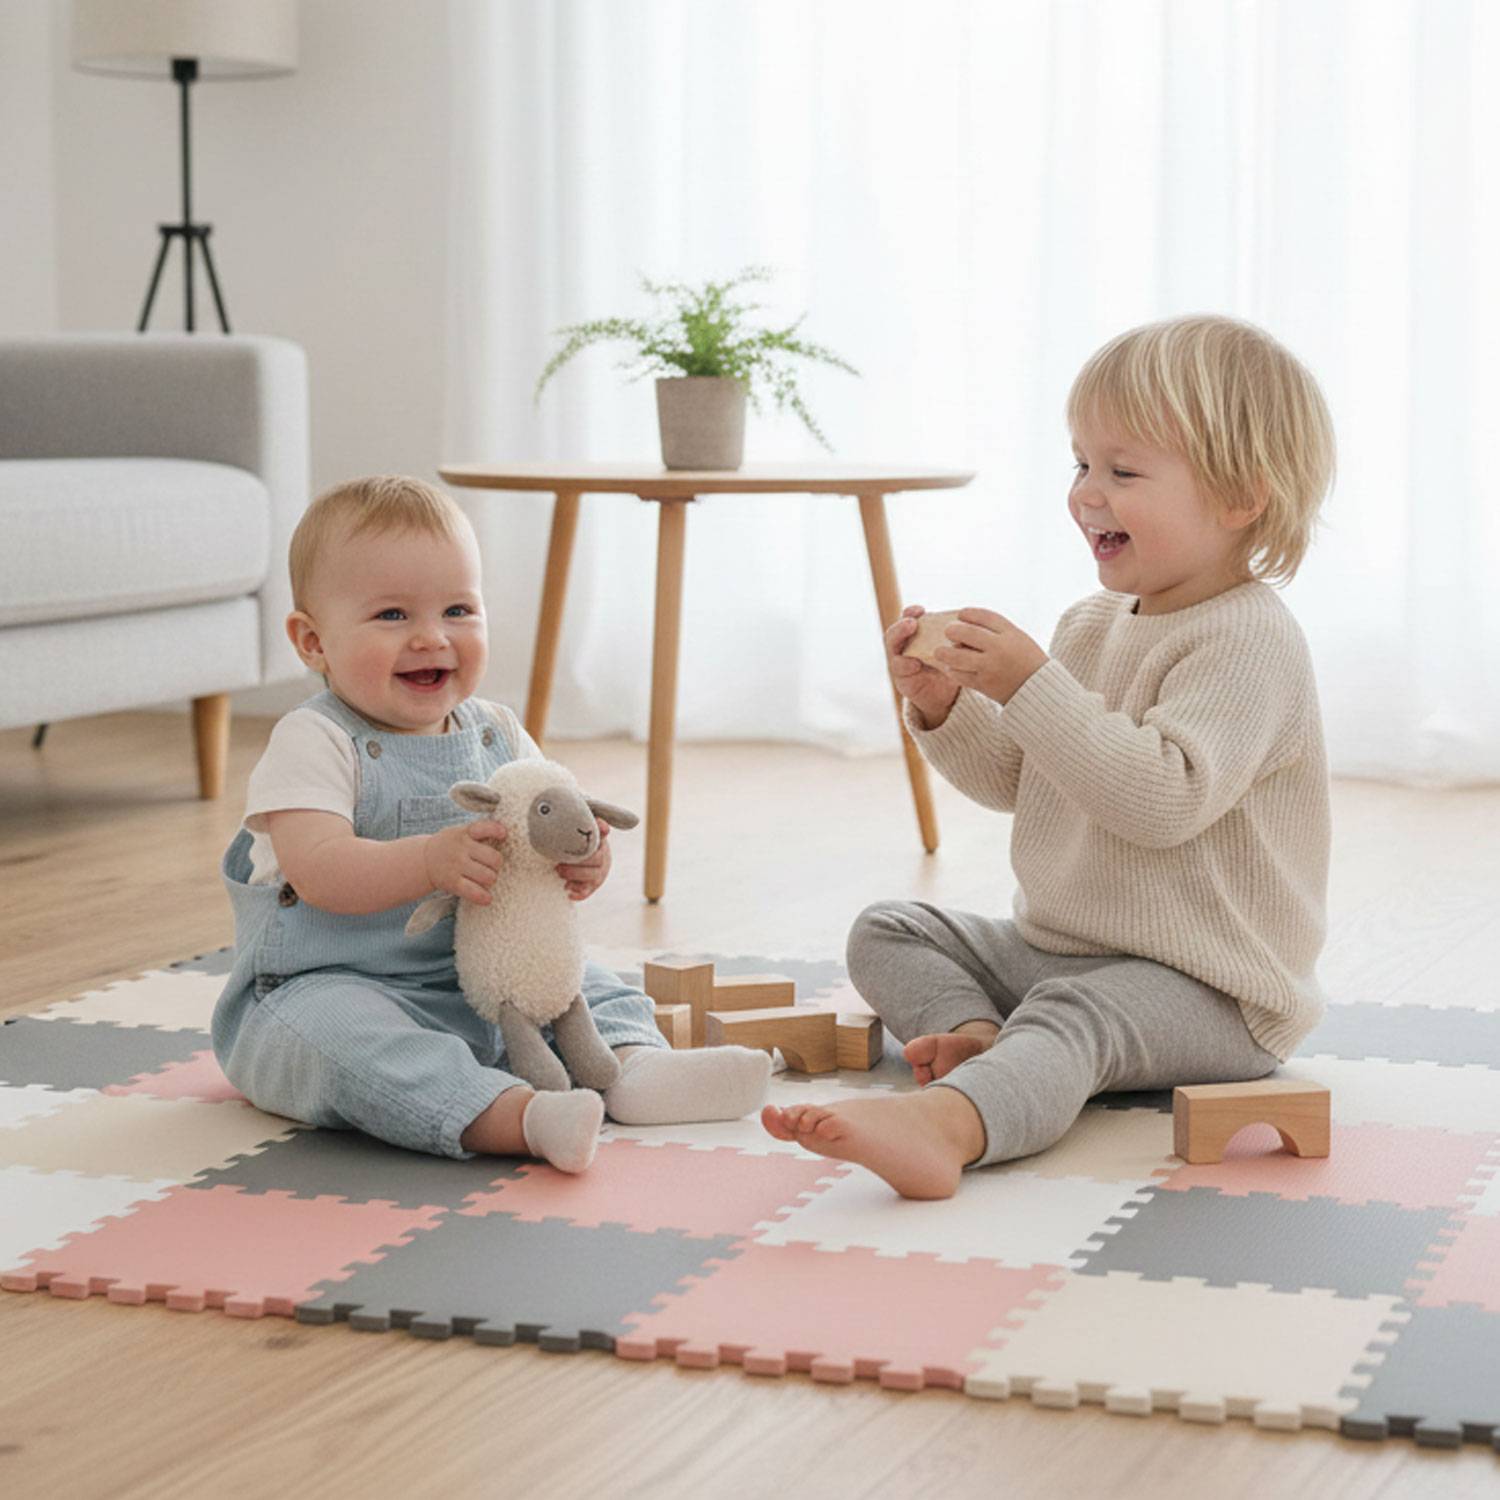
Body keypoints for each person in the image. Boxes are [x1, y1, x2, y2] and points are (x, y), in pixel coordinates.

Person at [762, 314, 1336, 1199]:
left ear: (1239, 499)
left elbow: (1159, 799)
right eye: (1080, 464)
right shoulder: (1091, 623)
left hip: (1211, 988)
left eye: (1123, 471)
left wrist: (1031, 686)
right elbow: (1023, 782)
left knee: (1078, 1015)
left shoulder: (1248, 642)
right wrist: (945, 704)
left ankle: (949, 1126)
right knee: (891, 927)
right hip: (1064, 947)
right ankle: (983, 1041)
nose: (1085, 494)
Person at [212, 475, 770, 1173]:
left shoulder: (497, 731)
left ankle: (633, 1068)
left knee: (587, 980)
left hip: (486, 980)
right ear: (312, 641)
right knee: (345, 1044)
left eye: (457, 609)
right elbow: (319, 869)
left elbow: (548, 828)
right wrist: (425, 862)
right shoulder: (314, 741)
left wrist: (581, 858)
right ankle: (516, 1117)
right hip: (326, 986)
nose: (430, 637)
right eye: (391, 615)